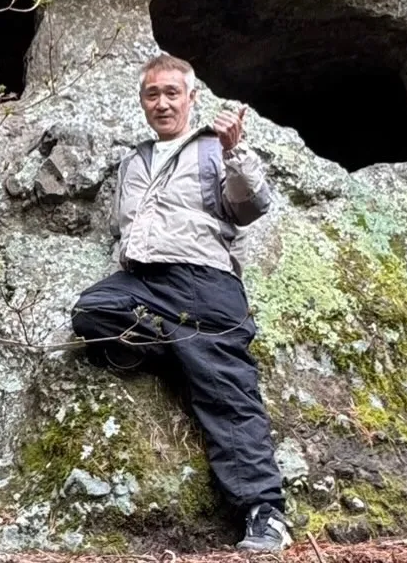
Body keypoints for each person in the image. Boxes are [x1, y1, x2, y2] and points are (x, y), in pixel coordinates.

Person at [71, 53, 291, 552]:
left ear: (192, 98)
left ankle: (265, 514)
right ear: (142, 102)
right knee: (92, 312)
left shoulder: (216, 148)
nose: (162, 102)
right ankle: (185, 351)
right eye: (153, 94)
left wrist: (236, 153)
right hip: (142, 282)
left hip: (203, 281)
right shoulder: (134, 161)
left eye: (173, 92)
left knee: (227, 394)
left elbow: (251, 206)